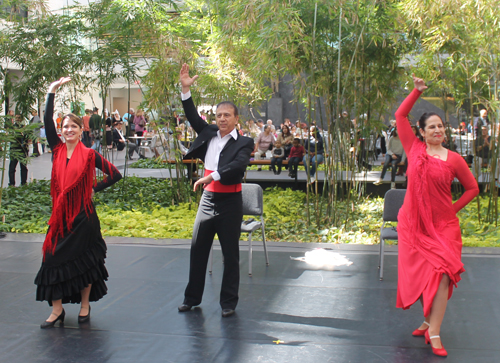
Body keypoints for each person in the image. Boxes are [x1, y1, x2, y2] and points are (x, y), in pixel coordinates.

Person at [395, 74, 479, 357]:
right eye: (432, 126)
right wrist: (416, 91)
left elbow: (472, 189)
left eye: (441, 126)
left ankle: (435, 332)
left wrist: (450, 211)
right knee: (422, 277)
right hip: (414, 224)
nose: (437, 130)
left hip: (444, 226)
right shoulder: (414, 148)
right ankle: (427, 319)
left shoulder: (454, 158)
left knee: (443, 273)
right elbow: (400, 114)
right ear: (421, 131)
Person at [35, 77, 122, 328]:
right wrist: (51, 91)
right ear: (61, 131)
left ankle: (85, 306)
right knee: (51, 259)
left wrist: (92, 188)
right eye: (65, 127)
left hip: (83, 218)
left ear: (80, 130)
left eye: (74, 126)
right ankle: (57, 310)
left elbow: (114, 174)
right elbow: (46, 122)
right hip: (61, 217)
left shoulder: (89, 154)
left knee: (85, 263)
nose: (69, 130)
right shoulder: (57, 150)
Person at [177, 63, 254, 318]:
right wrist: (186, 90)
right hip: (208, 200)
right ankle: (192, 298)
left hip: (231, 201)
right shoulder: (209, 132)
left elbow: (237, 166)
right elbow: (191, 115)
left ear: (236, 119)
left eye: (227, 115)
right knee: (198, 249)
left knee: (230, 255)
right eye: (219, 115)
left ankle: (228, 303)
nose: (222, 119)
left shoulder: (245, 142)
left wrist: (210, 177)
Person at [8, 114, 29, 186]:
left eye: (18, 118)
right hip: (14, 150)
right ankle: (11, 184)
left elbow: (27, 138)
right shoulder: (13, 128)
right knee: (12, 168)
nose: (17, 119)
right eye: (16, 117)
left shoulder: (24, 128)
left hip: (23, 150)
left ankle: (23, 183)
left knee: (23, 167)